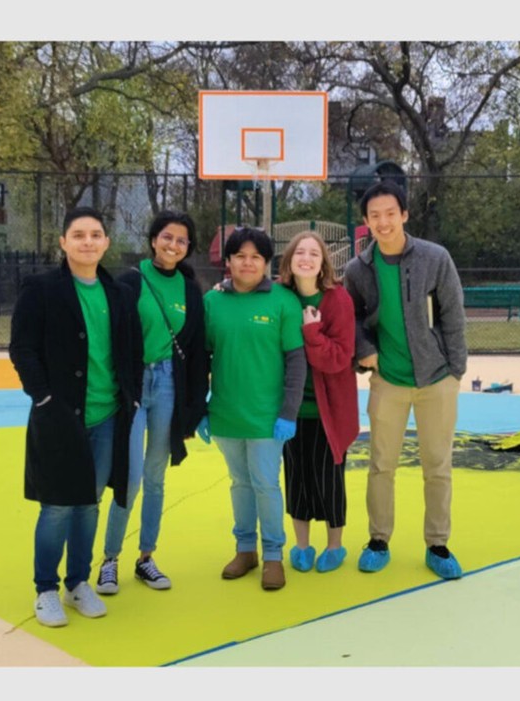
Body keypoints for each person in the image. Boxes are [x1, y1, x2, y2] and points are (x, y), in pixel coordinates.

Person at [9, 205, 142, 627]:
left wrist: (131, 399)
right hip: (60, 416)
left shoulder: (119, 293)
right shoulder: (42, 288)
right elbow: (22, 349)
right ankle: (45, 588)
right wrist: (44, 399)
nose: (88, 241)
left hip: (107, 416)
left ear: (106, 242)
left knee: (89, 505)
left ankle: (77, 583)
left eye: (96, 234)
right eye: (79, 234)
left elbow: (131, 350)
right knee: (57, 507)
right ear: (63, 242)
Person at [343, 180, 468, 580]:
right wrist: (366, 350)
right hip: (388, 381)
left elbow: (453, 314)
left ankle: (438, 543)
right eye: (374, 216)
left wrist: (455, 370)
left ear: (405, 215)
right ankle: (378, 539)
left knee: (437, 464)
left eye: (390, 214)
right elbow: (353, 319)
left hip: (436, 380)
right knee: (382, 464)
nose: (383, 222)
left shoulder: (435, 258)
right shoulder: (357, 269)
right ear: (366, 222)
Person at [97, 211, 208, 594]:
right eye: (167, 237)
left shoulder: (191, 291)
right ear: (153, 239)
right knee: (129, 475)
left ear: (188, 247)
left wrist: (195, 407)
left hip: (167, 385)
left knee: (156, 476)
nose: (173, 245)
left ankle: (146, 558)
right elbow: (109, 336)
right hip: (133, 384)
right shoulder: (129, 281)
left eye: (181, 240)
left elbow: (194, 353)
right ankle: (109, 559)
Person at [199, 227, 306, 591]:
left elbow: (296, 362)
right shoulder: (212, 303)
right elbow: (202, 357)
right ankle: (246, 549)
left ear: (266, 263)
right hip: (226, 413)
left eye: (256, 257)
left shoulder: (282, 302)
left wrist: (288, 412)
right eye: (240, 256)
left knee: (265, 484)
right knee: (239, 484)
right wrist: (200, 406)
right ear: (227, 262)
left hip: (266, 417)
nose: (248, 262)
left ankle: (273, 554)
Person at [276, 230, 359, 573]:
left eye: (314, 253)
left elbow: (340, 358)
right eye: (300, 253)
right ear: (289, 260)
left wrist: (312, 333)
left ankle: (335, 546)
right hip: (290, 410)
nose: (306, 258)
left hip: (329, 411)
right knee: (296, 478)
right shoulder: (280, 297)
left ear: (323, 261)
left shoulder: (337, 300)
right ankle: (301, 545)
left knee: (328, 478)